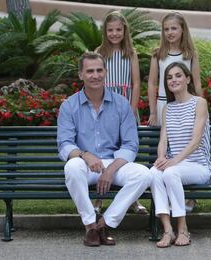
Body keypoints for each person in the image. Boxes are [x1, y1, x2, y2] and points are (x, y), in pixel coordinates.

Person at [57, 52, 152, 247]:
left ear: (106, 72)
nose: (95, 75)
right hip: (85, 164)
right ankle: (90, 225)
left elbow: (130, 144)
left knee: (144, 174)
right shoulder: (69, 106)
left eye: (99, 70)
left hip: (113, 162)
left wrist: (110, 169)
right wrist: (84, 155)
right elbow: (65, 144)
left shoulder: (121, 104)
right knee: (72, 168)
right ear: (80, 75)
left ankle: (105, 222)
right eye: (90, 71)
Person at [150, 62, 211, 248]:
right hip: (175, 165)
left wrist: (173, 161)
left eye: (178, 75)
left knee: (169, 173)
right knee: (154, 173)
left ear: (188, 79)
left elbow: (195, 141)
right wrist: (162, 158)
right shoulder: (168, 108)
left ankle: (183, 228)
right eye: (169, 77)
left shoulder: (199, 103)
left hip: (198, 166)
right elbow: (163, 141)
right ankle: (168, 229)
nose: (173, 80)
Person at [147, 11, 202, 212]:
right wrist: (153, 112)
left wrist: (200, 108)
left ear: (182, 29)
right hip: (163, 106)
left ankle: (190, 197)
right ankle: (161, 199)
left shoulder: (190, 54)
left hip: (185, 107)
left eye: (174, 28)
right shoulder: (158, 54)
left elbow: (196, 83)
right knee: (162, 150)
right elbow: (152, 83)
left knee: (185, 149)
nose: (170, 32)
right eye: (166, 29)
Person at [94, 10, 147, 215]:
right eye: (110, 30)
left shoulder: (130, 53)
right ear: (105, 31)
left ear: (125, 31)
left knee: (128, 154)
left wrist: (131, 112)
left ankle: (132, 200)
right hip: (105, 108)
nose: (114, 34)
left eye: (118, 30)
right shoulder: (100, 52)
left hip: (126, 107)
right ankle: (99, 200)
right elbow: (96, 82)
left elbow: (135, 83)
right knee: (105, 152)